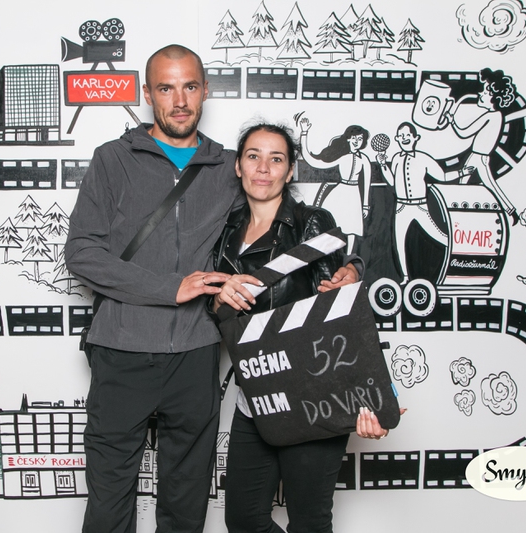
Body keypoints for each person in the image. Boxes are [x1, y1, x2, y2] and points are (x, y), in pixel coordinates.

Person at [64, 44, 239, 533]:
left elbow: (279, 218)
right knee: (108, 504)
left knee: (186, 504)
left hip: (196, 353)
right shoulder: (113, 159)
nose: (179, 101)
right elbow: (81, 251)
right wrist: (169, 287)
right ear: (147, 94)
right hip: (121, 349)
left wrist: (346, 263)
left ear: (205, 91)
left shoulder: (228, 167)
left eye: (189, 87)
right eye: (166, 88)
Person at [212, 123, 392, 533]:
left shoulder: (311, 223)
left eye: (276, 159)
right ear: (238, 166)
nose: (263, 168)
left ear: (290, 170)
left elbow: (339, 312)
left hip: (314, 394)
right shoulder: (224, 229)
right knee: (243, 520)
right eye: (253, 156)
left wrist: (374, 396)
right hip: (256, 396)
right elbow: (214, 306)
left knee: (309, 522)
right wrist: (218, 300)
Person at [377, 121, 473, 284]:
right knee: (400, 242)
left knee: (439, 236)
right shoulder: (396, 158)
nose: (404, 138)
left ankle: (460, 258)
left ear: (415, 138)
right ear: (397, 139)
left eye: (407, 135)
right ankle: (405, 277)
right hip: (401, 208)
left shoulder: (423, 158)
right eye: (401, 136)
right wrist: (383, 165)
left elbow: (442, 176)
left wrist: (461, 172)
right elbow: (392, 181)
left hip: (420, 206)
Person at [448, 68, 520, 225]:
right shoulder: (497, 116)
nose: (481, 93)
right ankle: (510, 211)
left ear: (494, 97)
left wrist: (452, 120)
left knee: (475, 186)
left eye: (486, 91)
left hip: (479, 157)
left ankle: (460, 216)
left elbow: (464, 133)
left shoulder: (490, 116)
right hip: (478, 156)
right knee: (469, 185)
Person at [299, 119, 372, 256]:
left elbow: (366, 182)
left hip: (354, 195)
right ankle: (330, 257)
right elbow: (313, 161)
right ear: (348, 139)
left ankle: (348, 258)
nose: (357, 141)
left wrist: (365, 205)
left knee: (352, 230)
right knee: (331, 227)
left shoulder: (364, 160)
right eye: (354, 138)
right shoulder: (342, 157)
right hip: (340, 193)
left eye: (360, 139)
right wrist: (304, 133)